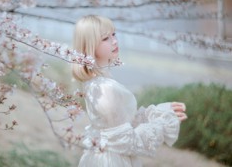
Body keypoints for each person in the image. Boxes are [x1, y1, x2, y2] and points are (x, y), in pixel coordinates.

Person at [72, 15, 187, 167]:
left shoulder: (98, 81)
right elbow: (128, 141)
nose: (114, 41)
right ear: (90, 46)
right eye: (105, 38)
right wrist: (162, 123)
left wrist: (159, 112)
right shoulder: (104, 88)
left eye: (114, 34)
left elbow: (121, 123)